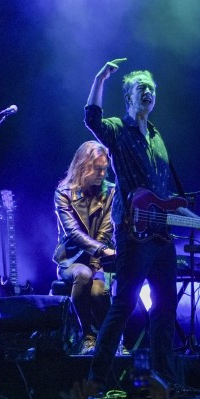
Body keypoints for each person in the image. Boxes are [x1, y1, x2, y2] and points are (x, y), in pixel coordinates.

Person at [84, 59, 200, 391]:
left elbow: (167, 195)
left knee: (165, 307)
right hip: (133, 231)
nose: (149, 92)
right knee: (125, 303)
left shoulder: (157, 138)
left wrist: (199, 221)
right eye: (143, 87)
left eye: (153, 89)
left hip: (161, 236)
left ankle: (165, 383)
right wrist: (101, 78)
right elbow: (91, 119)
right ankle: (95, 381)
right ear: (129, 96)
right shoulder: (118, 129)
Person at [53, 140, 116, 354]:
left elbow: (106, 229)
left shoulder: (110, 192)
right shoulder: (64, 193)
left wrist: (99, 258)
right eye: (97, 169)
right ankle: (85, 336)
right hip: (71, 260)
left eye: (104, 169)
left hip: (100, 261)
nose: (101, 173)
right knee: (83, 275)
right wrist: (100, 250)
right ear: (83, 166)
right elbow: (73, 232)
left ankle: (109, 341)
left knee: (99, 291)